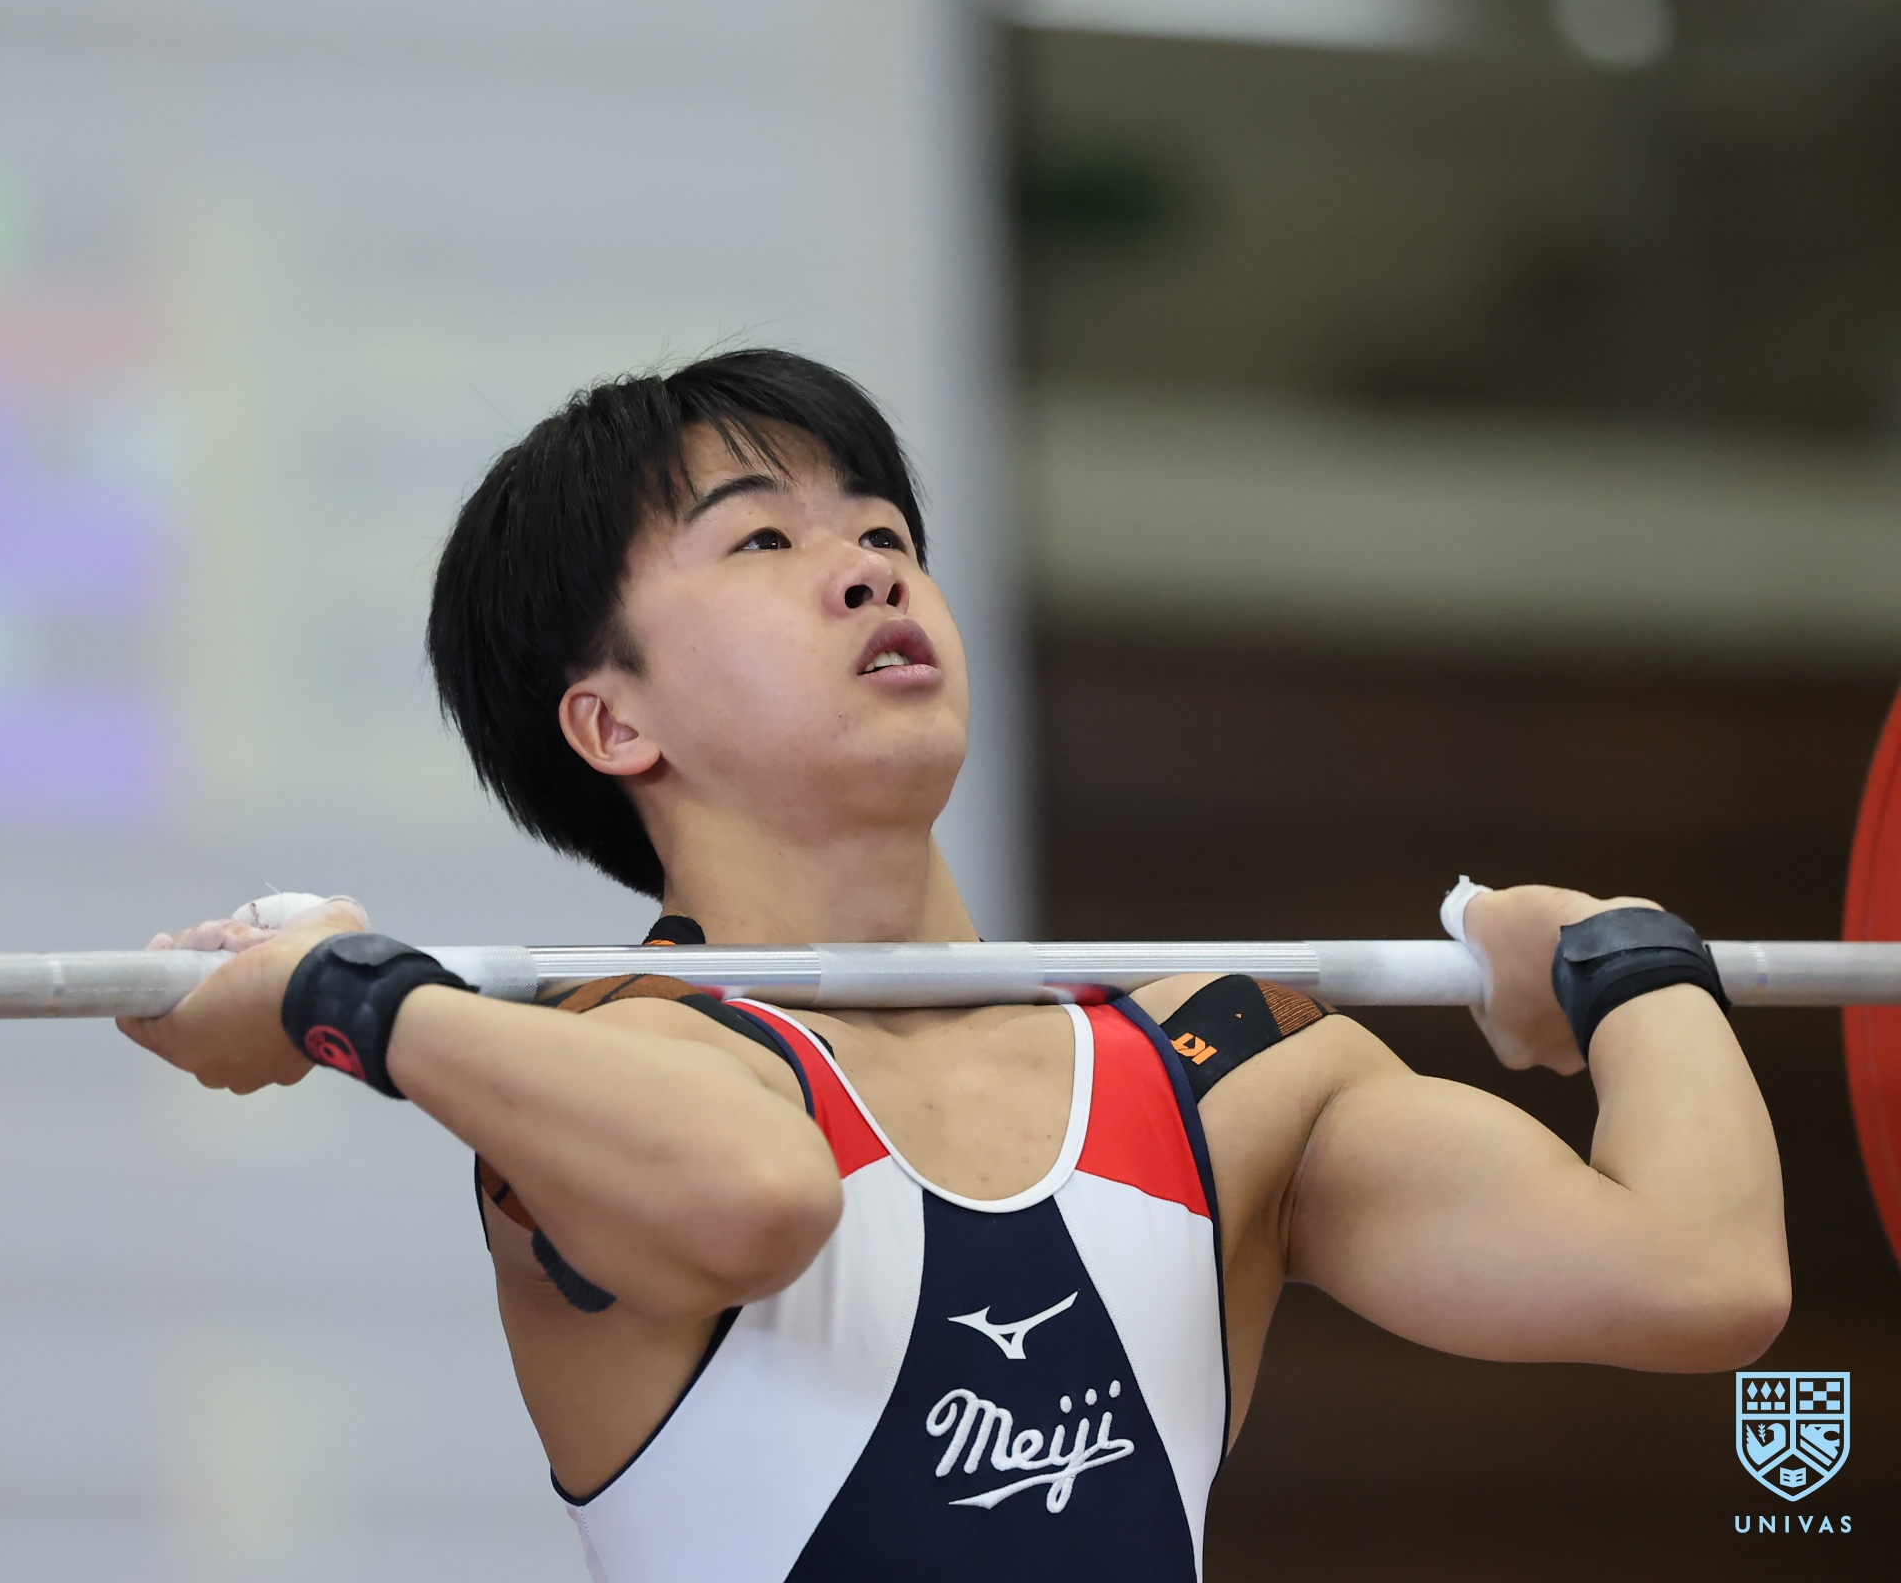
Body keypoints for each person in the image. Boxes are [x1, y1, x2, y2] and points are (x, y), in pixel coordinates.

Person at [117, 349, 1788, 1582]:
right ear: (612, 723)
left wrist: (1620, 960)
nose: (869, 564)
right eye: (760, 543)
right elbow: (757, 1199)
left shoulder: (1230, 1079)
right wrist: (349, 997)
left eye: (882, 529)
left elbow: (1701, 1277)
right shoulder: (613, 1068)